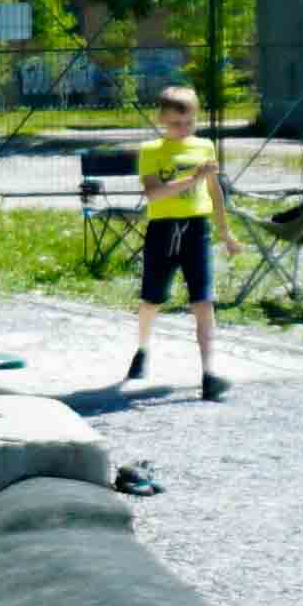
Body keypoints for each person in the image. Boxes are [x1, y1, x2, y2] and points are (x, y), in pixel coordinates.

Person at [118, 80, 227, 402]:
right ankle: (142, 347)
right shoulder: (152, 151)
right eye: (176, 123)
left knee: (203, 300)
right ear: (162, 119)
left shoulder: (204, 148)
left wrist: (225, 230)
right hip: (163, 229)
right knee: (152, 298)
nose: (183, 128)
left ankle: (209, 373)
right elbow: (154, 192)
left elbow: (213, 190)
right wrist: (192, 178)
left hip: (197, 228)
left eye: (189, 122)